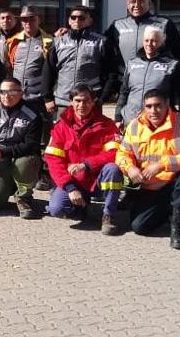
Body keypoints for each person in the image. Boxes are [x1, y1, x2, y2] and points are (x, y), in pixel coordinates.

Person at [116, 89, 180, 250]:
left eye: (158, 106)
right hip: (148, 186)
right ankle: (172, 211)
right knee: (139, 227)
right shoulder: (135, 126)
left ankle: (178, 226)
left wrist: (162, 164)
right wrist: (130, 168)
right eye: (148, 106)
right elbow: (122, 154)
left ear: (167, 105)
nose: (153, 111)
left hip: (173, 183)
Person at [43, 85, 123, 235]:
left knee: (113, 169)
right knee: (56, 209)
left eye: (86, 101)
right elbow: (53, 160)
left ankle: (109, 215)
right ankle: (82, 208)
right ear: (71, 102)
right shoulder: (61, 127)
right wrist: (70, 188)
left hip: (98, 179)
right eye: (77, 101)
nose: (81, 105)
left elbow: (115, 153)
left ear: (94, 102)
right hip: (74, 180)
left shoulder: (107, 125)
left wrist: (86, 165)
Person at [0, 77, 43, 219]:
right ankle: (9, 184)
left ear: (21, 93)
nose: (7, 96)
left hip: (21, 157)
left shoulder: (33, 113)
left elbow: (31, 144)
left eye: (12, 92)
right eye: (3, 92)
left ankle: (24, 198)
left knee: (25, 162)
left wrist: (3, 152)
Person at [43, 5, 112, 117]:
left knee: (91, 134)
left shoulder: (101, 42)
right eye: (73, 17)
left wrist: (101, 98)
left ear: (90, 21)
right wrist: (47, 98)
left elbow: (110, 73)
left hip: (89, 103)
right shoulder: (58, 42)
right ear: (69, 21)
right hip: (63, 102)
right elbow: (48, 71)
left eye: (82, 18)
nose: (77, 21)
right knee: (62, 134)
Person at [115, 26, 180, 126]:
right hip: (131, 122)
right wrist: (118, 116)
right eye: (146, 40)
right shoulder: (132, 64)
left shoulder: (173, 65)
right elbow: (124, 92)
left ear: (161, 43)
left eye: (154, 40)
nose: (149, 44)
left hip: (159, 123)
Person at [105, 0, 180, 75]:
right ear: (127, 4)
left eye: (141, 1)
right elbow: (104, 51)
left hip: (154, 79)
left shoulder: (163, 24)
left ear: (149, 3)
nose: (136, 5)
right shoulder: (117, 25)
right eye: (133, 2)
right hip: (124, 79)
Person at [4, 6, 53, 111]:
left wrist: (48, 97)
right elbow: (8, 67)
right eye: (24, 19)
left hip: (38, 97)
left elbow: (52, 70)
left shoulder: (49, 41)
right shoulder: (13, 41)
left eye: (32, 19)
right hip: (16, 96)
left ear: (39, 19)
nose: (28, 22)